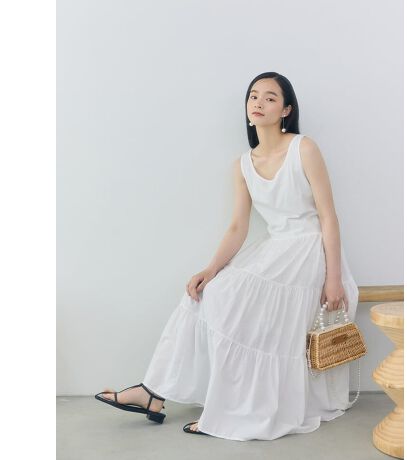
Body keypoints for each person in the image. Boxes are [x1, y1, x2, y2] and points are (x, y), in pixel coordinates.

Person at [95, 71, 360, 441]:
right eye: (254, 96)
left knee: (232, 302)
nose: (259, 103)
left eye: (270, 97)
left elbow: (328, 217)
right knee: (205, 293)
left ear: (286, 110)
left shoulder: (304, 149)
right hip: (276, 249)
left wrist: (333, 279)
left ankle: (233, 408)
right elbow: (238, 227)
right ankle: (153, 391)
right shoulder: (243, 164)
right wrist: (210, 269)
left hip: (308, 251)